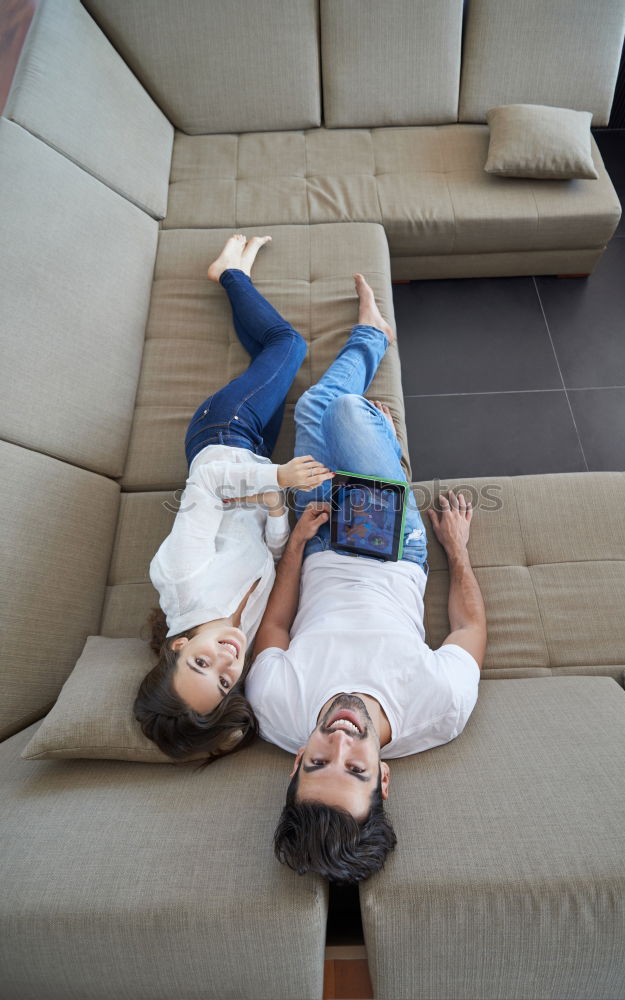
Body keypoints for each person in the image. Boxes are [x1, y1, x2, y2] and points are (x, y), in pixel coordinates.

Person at [245, 280, 487, 882]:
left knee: (309, 411)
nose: (341, 740)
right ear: (383, 777)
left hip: (317, 537)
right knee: (345, 412)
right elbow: (468, 626)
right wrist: (455, 548)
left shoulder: (276, 709)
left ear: (295, 762)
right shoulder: (441, 707)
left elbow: (274, 624)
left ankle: (375, 397)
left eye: (318, 761)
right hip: (390, 547)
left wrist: (296, 548)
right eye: (354, 768)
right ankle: (379, 401)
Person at [134, 234, 333, 766]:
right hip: (259, 467)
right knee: (271, 358)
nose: (226, 662)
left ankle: (228, 272)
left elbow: (205, 483)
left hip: (222, 434)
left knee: (290, 346)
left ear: (176, 648)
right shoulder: (238, 635)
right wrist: (274, 510)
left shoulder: (181, 579)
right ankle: (233, 274)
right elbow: (267, 557)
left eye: (200, 665)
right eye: (224, 683)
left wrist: (280, 474)